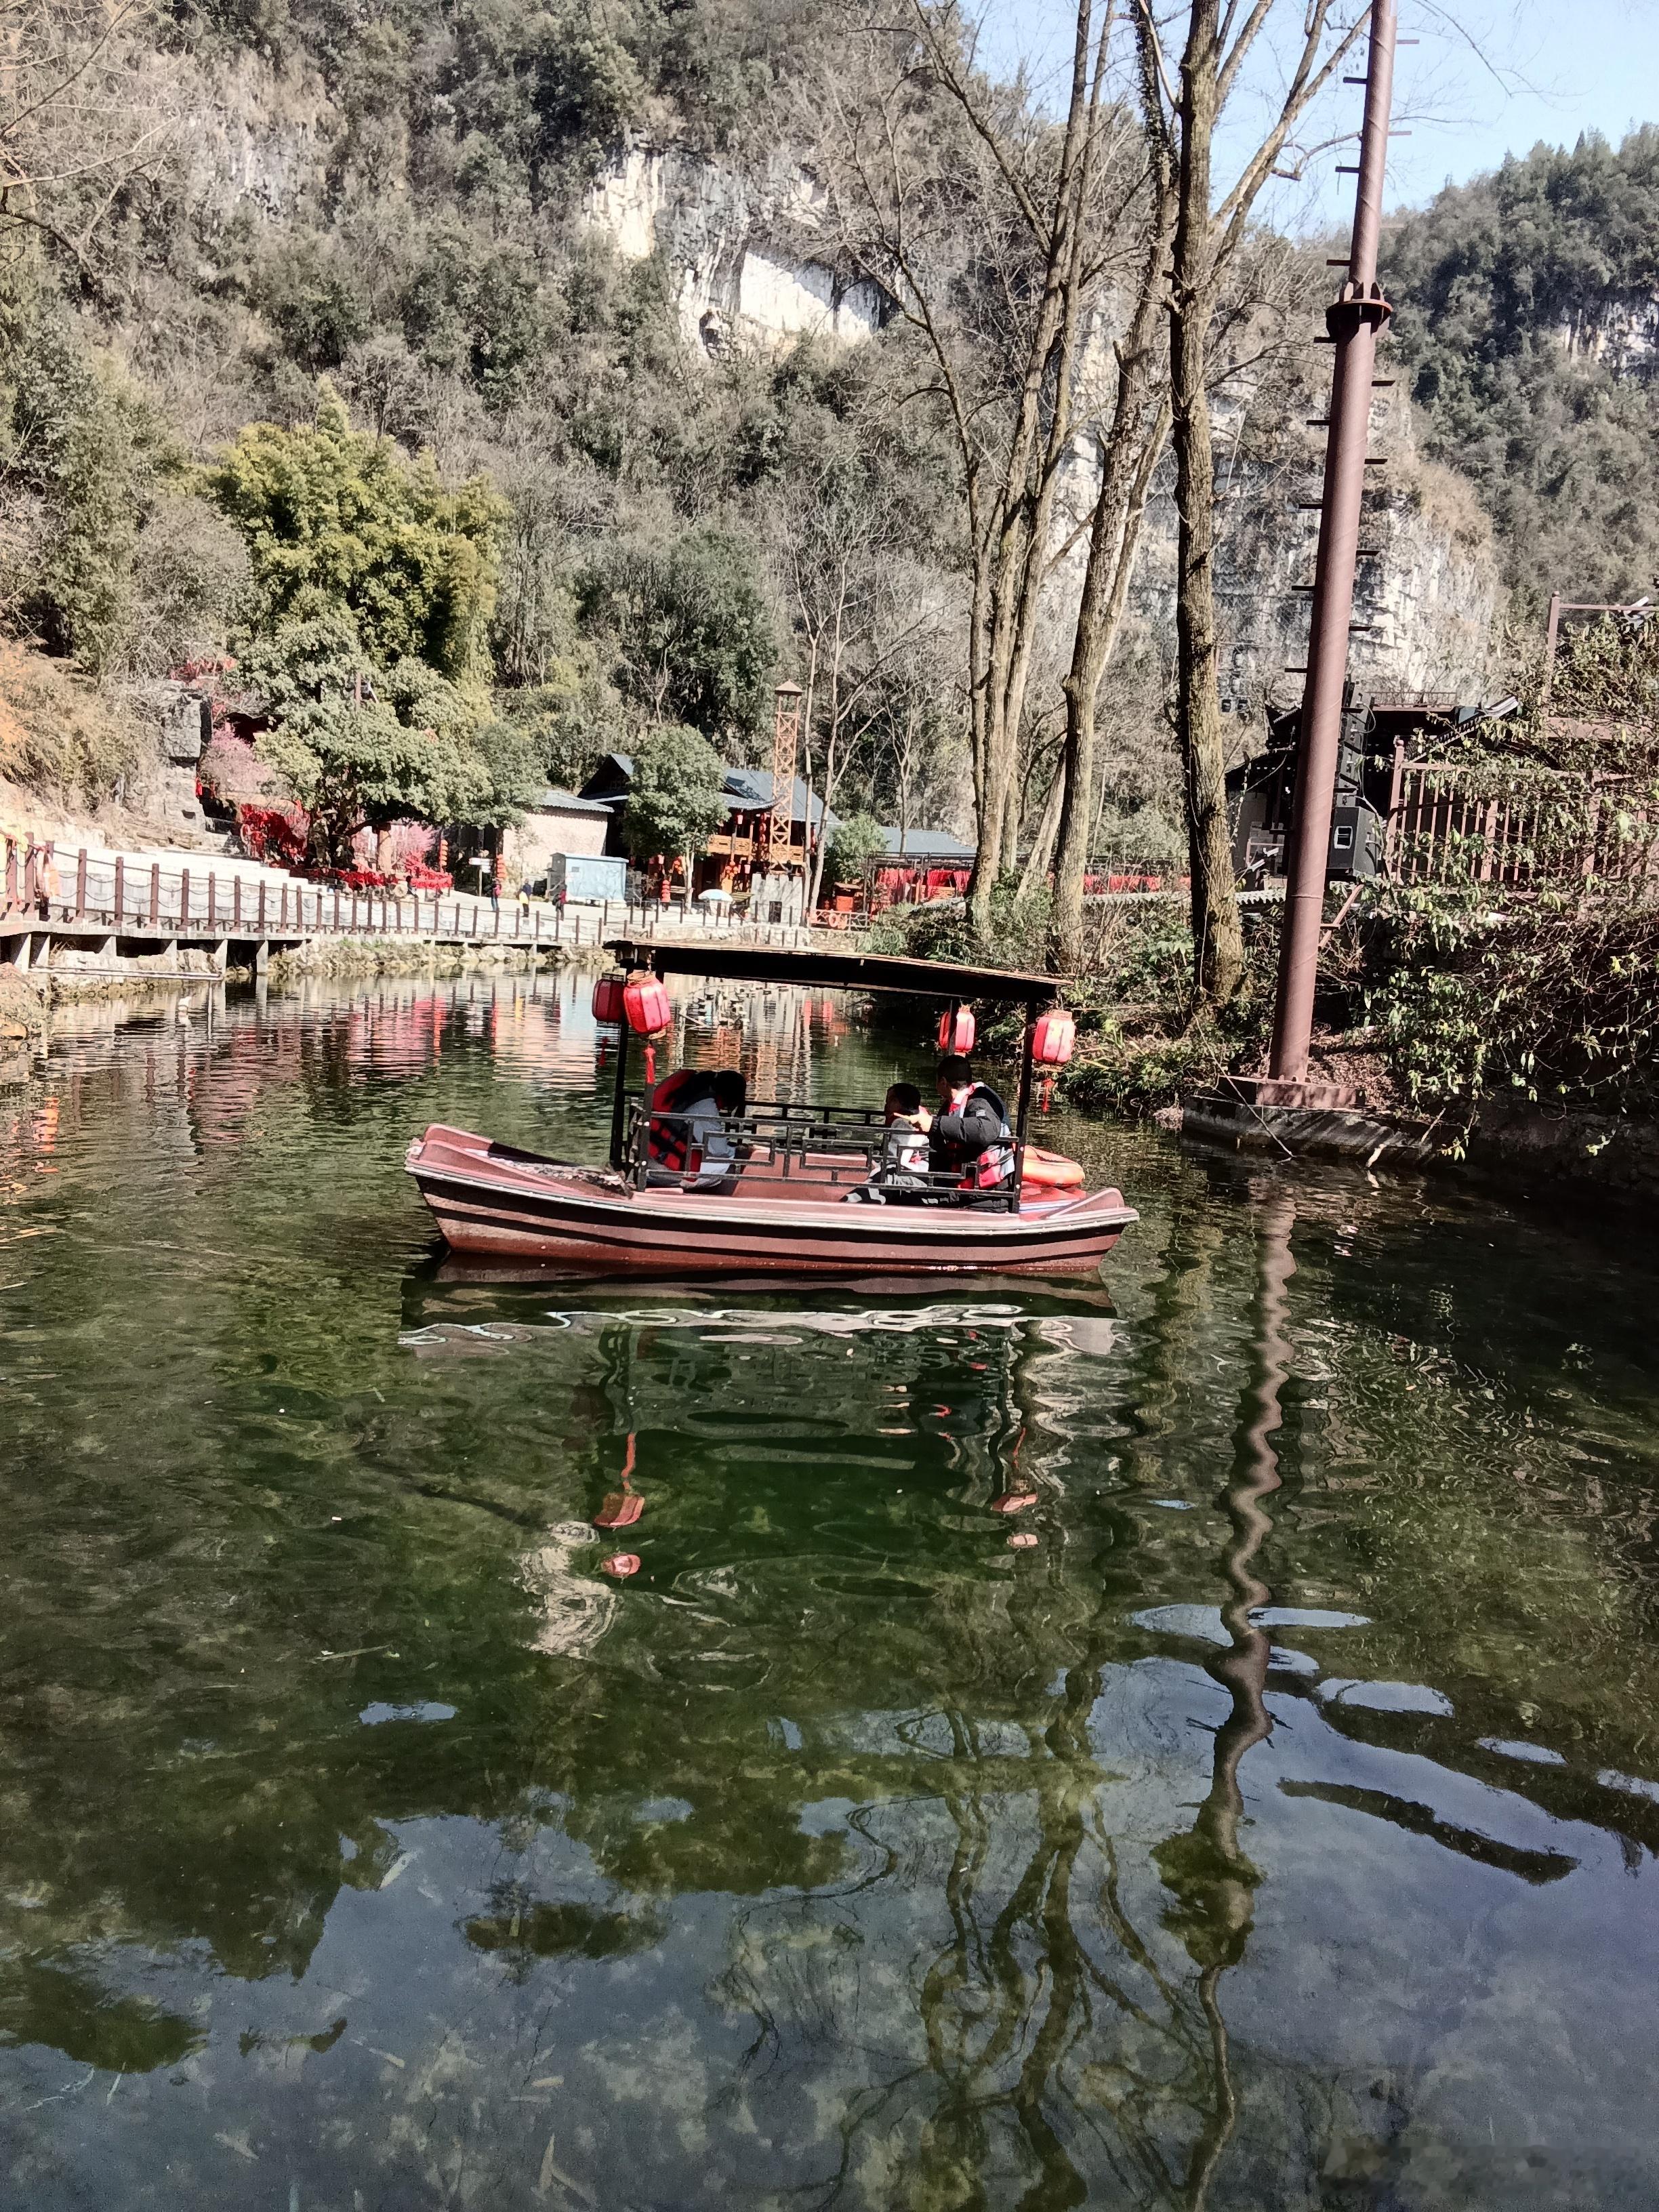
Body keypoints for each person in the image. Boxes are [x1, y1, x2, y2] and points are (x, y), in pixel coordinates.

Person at [645, 1069, 748, 1193]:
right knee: (732, 1168)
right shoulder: (705, 1107)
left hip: (652, 1158)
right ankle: (724, 1204)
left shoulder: (691, 1097)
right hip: (662, 1169)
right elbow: (719, 1152)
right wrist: (741, 1152)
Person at [930, 1054, 1015, 1198]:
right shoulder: (951, 1105)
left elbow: (985, 1130)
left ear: (943, 1082)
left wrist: (935, 1124)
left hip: (988, 1194)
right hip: (958, 1184)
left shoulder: (979, 1101)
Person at [846, 1082, 933, 1204]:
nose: (886, 1106)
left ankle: (848, 1205)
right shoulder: (919, 1119)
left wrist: (877, 1166)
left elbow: (895, 1159)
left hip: (913, 1175)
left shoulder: (902, 1123)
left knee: (878, 1177)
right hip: (921, 1173)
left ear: (898, 1102)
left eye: (890, 1101)